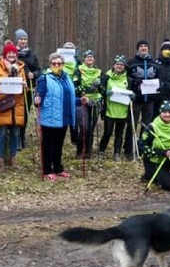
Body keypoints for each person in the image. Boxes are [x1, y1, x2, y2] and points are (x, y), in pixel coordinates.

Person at [34, 52, 87, 181]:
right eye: (54, 63)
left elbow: (69, 98)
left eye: (59, 63)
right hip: (49, 118)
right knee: (48, 145)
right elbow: (38, 94)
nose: (57, 65)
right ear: (50, 64)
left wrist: (80, 100)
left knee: (59, 145)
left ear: (63, 65)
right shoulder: (45, 78)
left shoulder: (67, 78)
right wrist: (37, 99)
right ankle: (47, 170)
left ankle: (58, 168)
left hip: (63, 118)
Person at [0, 41, 28, 167]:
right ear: (5, 55)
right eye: (9, 53)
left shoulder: (21, 68)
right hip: (3, 105)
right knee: (1, 133)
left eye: (13, 53)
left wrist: (25, 86)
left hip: (17, 106)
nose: (11, 55)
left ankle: (13, 157)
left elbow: (25, 87)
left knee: (15, 133)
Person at [139, 100, 170, 191]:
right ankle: (152, 176)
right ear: (160, 112)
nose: (167, 114)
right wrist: (161, 152)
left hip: (169, 159)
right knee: (169, 186)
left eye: (169, 112)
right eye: (164, 112)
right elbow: (142, 147)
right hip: (155, 160)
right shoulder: (152, 127)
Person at [124, 39, 160, 160]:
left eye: (145, 46)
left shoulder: (154, 63)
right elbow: (125, 80)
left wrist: (160, 87)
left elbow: (159, 79)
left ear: (148, 48)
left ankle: (142, 148)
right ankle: (128, 150)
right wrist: (134, 84)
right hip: (135, 100)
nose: (143, 48)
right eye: (141, 46)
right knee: (131, 125)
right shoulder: (131, 63)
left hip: (149, 101)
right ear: (137, 49)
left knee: (146, 126)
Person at [98, 55, 131, 161]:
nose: (119, 66)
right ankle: (101, 151)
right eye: (117, 64)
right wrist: (106, 93)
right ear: (114, 65)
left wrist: (132, 95)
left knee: (119, 133)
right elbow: (101, 90)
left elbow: (131, 91)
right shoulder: (106, 76)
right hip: (109, 110)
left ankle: (117, 153)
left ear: (124, 66)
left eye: (121, 64)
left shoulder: (127, 78)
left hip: (122, 110)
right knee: (107, 132)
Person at [75, 50, 104, 158]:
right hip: (82, 100)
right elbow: (75, 85)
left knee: (91, 127)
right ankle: (79, 151)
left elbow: (102, 87)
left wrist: (100, 86)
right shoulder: (79, 70)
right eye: (87, 57)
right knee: (84, 127)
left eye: (91, 57)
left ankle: (88, 151)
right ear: (84, 59)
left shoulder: (99, 71)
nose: (89, 59)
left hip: (95, 101)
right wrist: (85, 89)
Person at [15, 29, 40, 150]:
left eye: (24, 39)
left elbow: (38, 70)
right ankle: (14, 137)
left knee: (24, 113)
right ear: (17, 40)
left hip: (29, 88)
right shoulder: (12, 53)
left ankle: (21, 137)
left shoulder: (32, 55)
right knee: (15, 113)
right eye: (21, 39)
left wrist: (33, 75)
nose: (23, 41)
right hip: (15, 88)